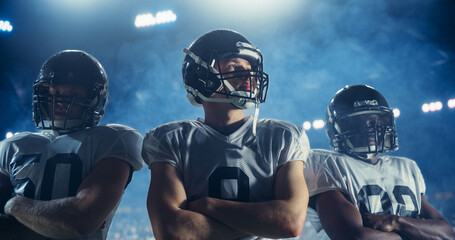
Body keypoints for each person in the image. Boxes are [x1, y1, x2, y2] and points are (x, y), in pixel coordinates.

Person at [142, 29, 310, 240]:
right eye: (234, 67)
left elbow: (290, 222)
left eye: (250, 68)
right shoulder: (170, 139)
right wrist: (265, 223)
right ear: (201, 77)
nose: (248, 75)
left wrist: (208, 205)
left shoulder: (284, 136)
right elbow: (173, 231)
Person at [0, 50, 144, 240]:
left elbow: (81, 218)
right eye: (53, 93)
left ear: (95, 99)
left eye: (73, 94)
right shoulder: (11, 146)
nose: (59, 102)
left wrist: (14, 205)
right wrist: (54, 225)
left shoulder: (116, 138)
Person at [304, 84, 455, 240]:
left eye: (375, 120)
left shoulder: (407, 167)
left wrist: (396, 222)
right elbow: (354, 237)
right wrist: (414, 232)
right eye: (357, 122)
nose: (370, 128)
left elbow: (447, 233)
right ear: (334, 130)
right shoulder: (325, 163)